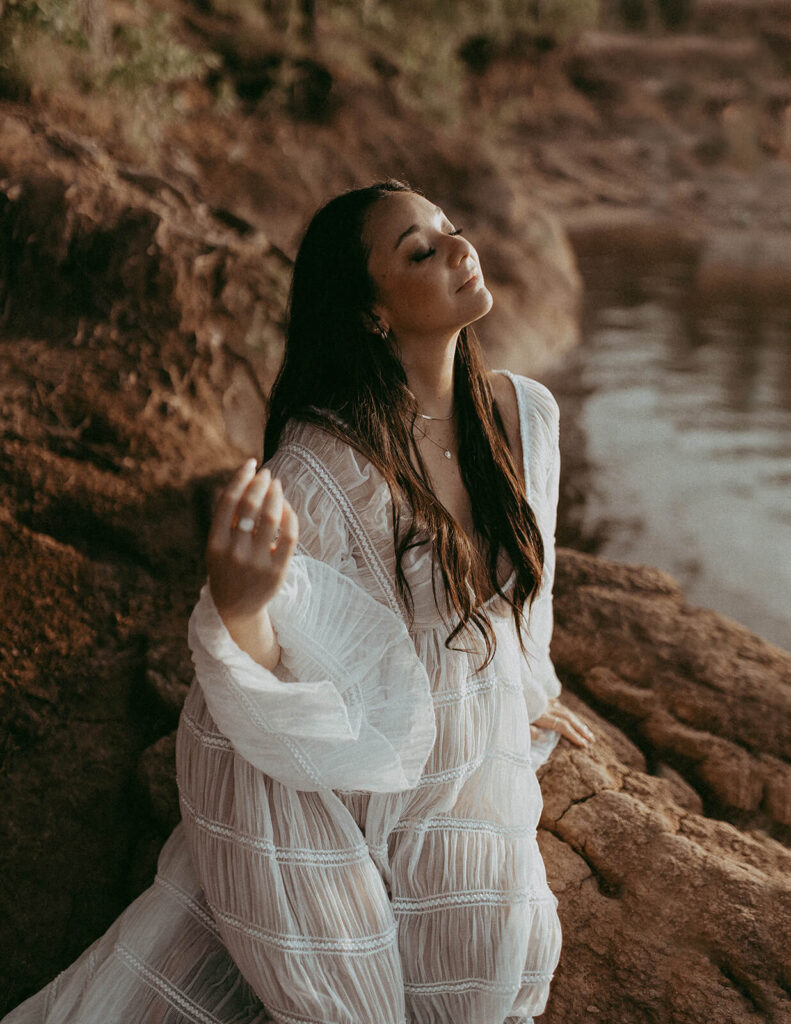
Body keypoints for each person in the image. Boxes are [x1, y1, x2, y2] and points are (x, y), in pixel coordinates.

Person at [3, 180, 593, 1024]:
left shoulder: (523, 414)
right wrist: (240, 607)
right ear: (370, 312)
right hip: (373, 774)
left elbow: (527, 600)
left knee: (502, 953)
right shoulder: (317, 470)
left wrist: (529, 688)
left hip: (477, 763)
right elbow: (287, 644)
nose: (460, 249)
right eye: (420, 251)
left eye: (450, 230)